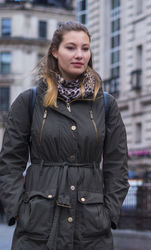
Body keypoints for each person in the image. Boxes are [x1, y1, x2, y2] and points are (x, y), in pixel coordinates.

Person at [0, 21, 129, 250]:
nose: (79, 55)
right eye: (71, 47)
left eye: (85, 48)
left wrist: (109, 212)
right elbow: (10, 162)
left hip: (91, 225)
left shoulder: (106, 104)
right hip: (37, 224)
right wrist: (19, 210)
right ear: (54, 51)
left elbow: (117, 164)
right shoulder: (29, 101)